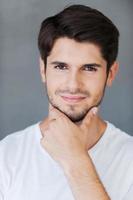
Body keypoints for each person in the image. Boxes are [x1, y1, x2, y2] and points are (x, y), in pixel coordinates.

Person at [0, 4, 133, 200]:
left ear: (110, 74)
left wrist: (76, 159)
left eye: (89, 68)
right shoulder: (6, 156)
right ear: (43, 70)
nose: (73, 85)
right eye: (61, 66)